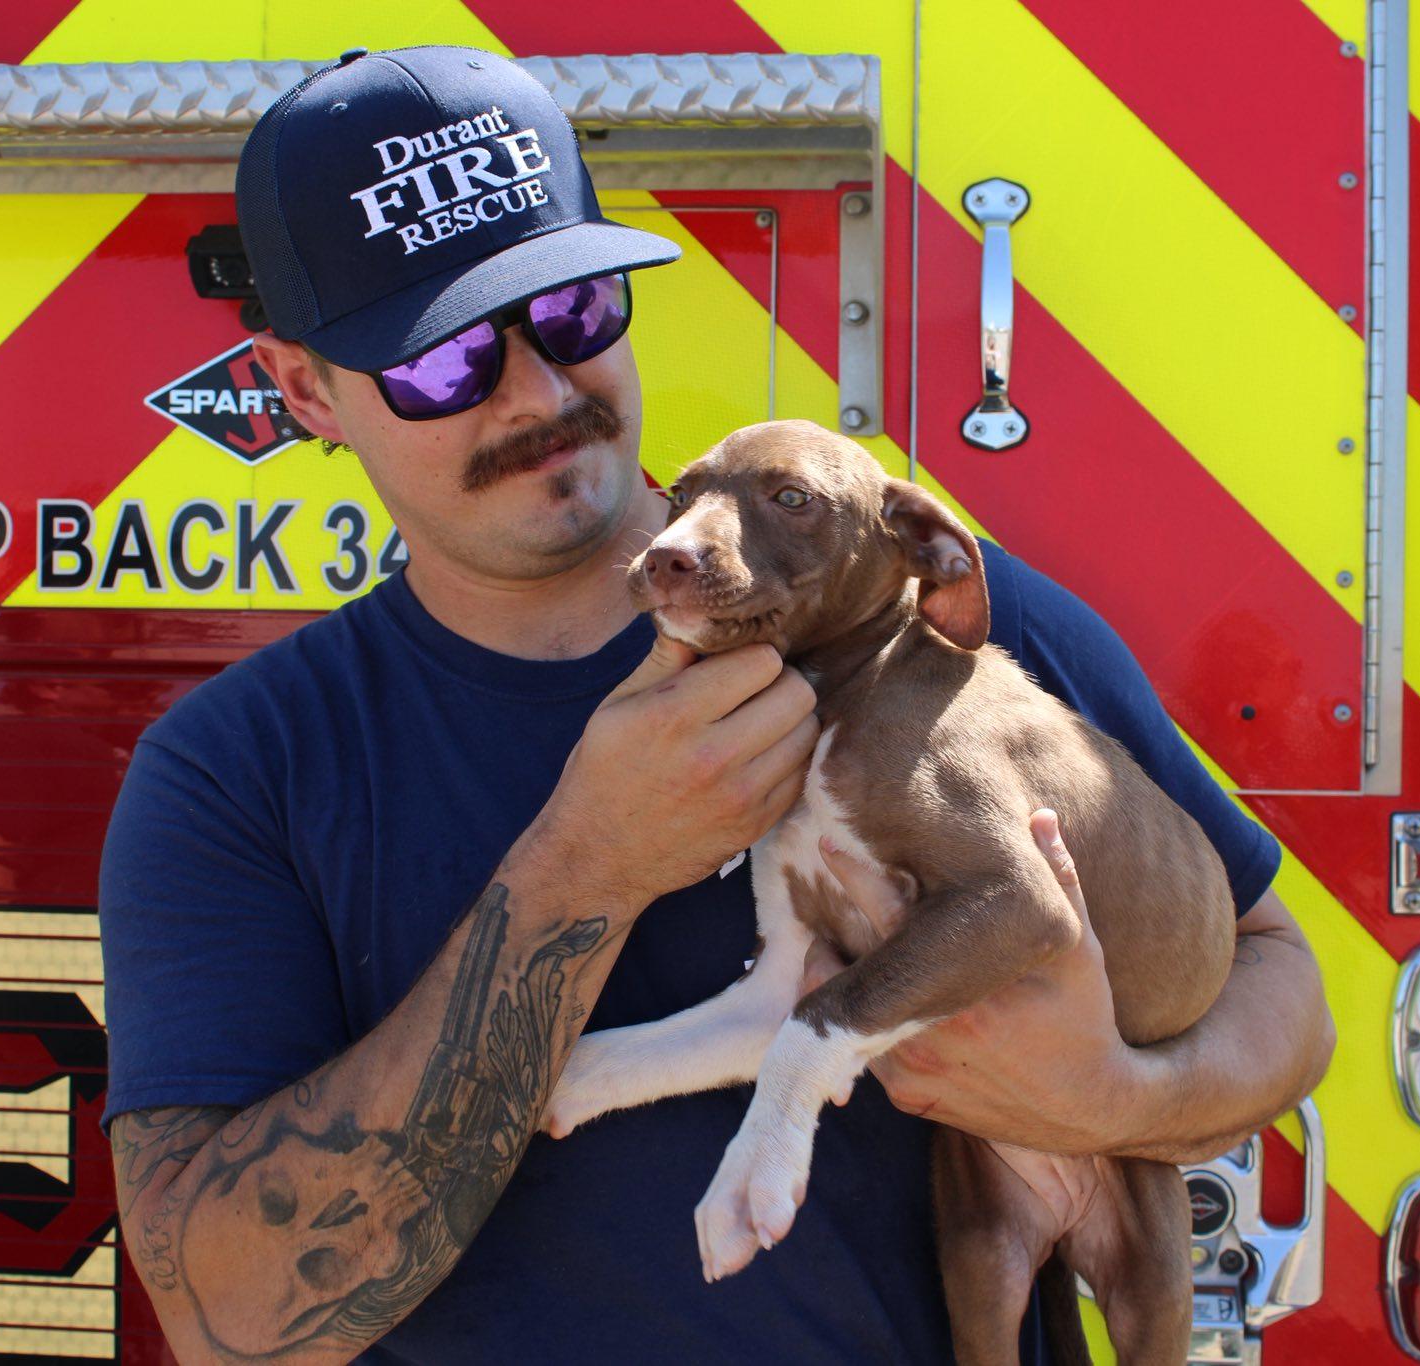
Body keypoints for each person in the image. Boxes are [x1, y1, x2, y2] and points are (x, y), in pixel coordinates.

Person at [98, 45, 1335, 1365]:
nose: (541, 391)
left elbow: (1280, 983)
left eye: (572, 309)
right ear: (305, 391)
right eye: (445, 361)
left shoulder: (912, 605)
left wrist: (1121, 1098)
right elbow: (227, 1318)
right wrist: (585, 867)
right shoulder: (240, 772)